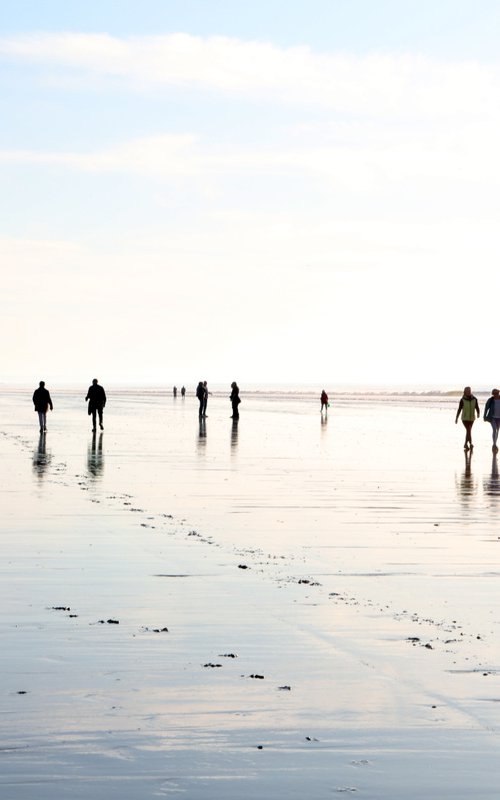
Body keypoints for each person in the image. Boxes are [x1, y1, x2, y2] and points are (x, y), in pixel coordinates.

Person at [455, 386, 480, 451]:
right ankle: (471, 443)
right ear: (465, 392)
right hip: (464, 418)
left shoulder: (475, 399)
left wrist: (478, 413)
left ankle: (466, 444)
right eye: (467, 391)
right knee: (468, 430)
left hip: (472, 418)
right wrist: (456, 418)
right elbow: (459, 409)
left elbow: (477, 407)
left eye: (469, 390)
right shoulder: (462, 400)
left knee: (468, 431)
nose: (469, 391)